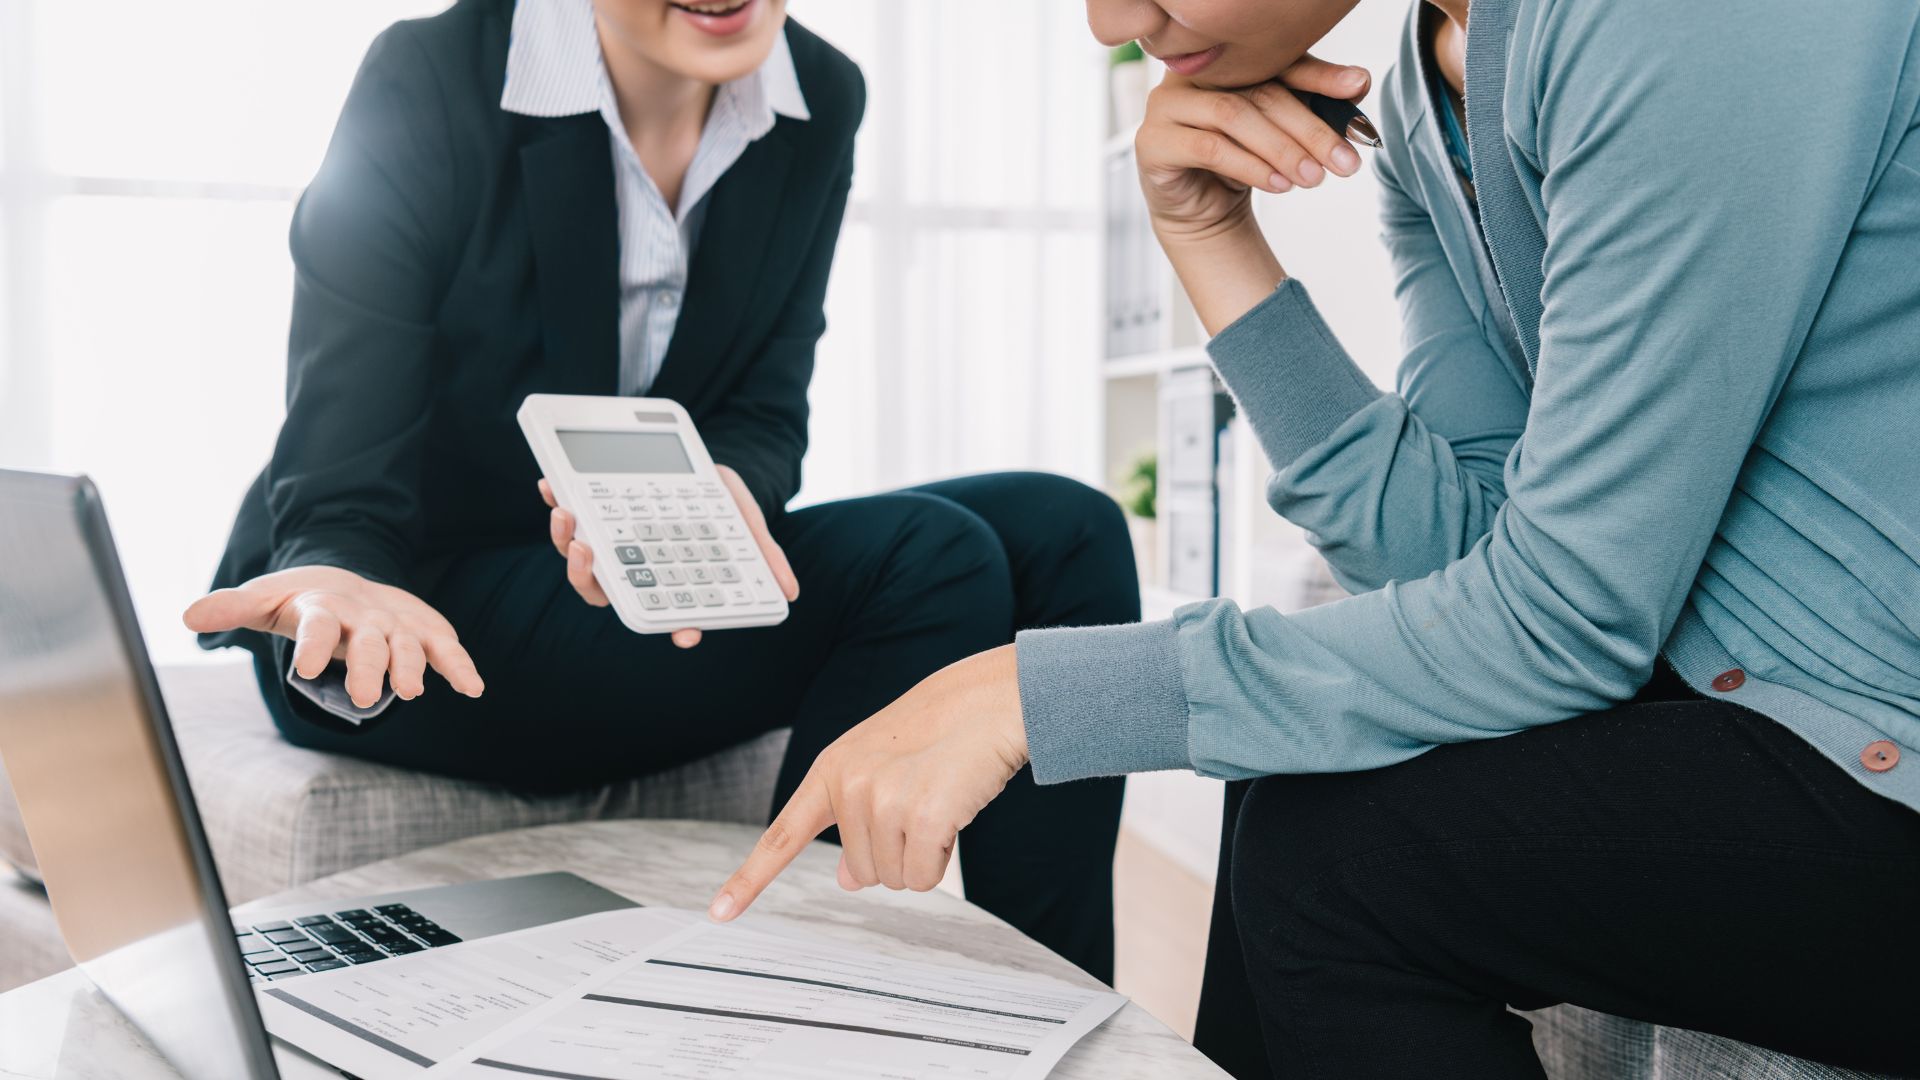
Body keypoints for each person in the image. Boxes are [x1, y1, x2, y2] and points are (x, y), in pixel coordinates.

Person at [711, 0, 1920, 1075]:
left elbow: (1564, 623)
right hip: (1768, 720)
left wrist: (1040, 693)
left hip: (1878, 749)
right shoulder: (1431, 81)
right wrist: (1209, 240)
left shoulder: (1684, 21)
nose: (1106, 23)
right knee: (1292, 770)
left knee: (1338, 863)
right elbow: (1459, 568)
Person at [185, 0, 1131, 982]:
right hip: (409, 597)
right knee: (932, 560)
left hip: (634, 572)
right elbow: (343, 466)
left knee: (1071, 532)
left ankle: (1050, 1000)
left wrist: (718, 490)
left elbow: (765, 408)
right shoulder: (434, 73)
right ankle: (783, 1004)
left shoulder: (819, 95)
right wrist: (332, 576)